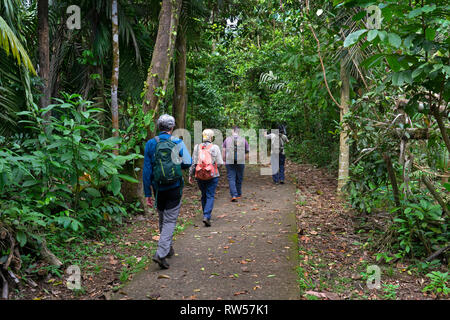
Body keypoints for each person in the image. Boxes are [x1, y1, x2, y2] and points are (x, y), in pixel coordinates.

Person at [143, 114, 192, 269]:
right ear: (172, 128)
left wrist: (147, 193)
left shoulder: (151, 144)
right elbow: (188, 162)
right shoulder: (177, 142)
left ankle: (167, 248)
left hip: (158, 189)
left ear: (159, 127)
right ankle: (161, 253)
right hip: (174, 187)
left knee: (163, 217)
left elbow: (146, 171)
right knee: (170, 220)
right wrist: (177, 167)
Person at [189, 129, 223, 227]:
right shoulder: (215, 147)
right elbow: (220, 162)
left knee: (203, 195)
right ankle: (207, 216)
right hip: (212, 175)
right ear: (211, 137)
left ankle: (205, 214)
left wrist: (190, 175)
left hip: (200, 175)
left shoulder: (197, 147)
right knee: (210, 195)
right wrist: (214, 168)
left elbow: (194, 162)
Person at [222, 126, 249, 202]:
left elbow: (223, 151)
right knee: (239, 177)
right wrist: (245, 159)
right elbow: (247, 151)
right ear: (239, 131)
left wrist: (224, 160)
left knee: (231, 178)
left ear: (232, 131)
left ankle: (233, 195)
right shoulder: (243, 140)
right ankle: (239, 194)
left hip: (229, 161)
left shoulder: (227, 140)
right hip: (240, 161)